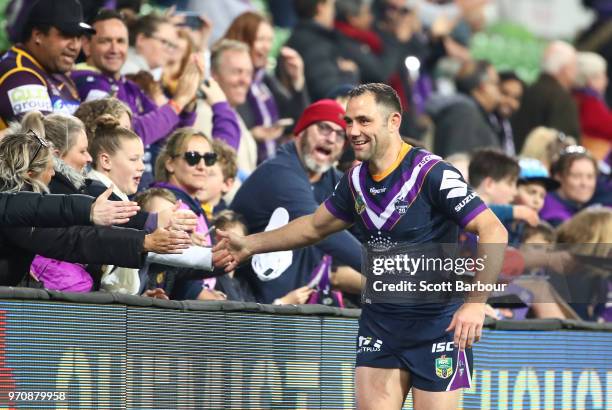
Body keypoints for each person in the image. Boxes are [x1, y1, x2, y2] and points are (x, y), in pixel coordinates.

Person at [215, 83, 507, 409]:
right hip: (381, 323)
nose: (353, 131)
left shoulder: (433, 173)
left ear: (393, 121)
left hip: (439, 326)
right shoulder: (354, 181)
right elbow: (314, 226)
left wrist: (476, 303)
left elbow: (493, 230)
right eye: (349, 121)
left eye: (364, 121)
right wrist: (250, 244)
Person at [0, 128, 191, 286]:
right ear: (30, 174)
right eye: (50, 169)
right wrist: (142, 241)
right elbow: (75, 240)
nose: (53, 175)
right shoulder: (14, 215)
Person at [230, 99, 362, 304]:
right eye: (324, 128)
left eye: (340, 135)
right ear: (301, 131)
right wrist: (383, 271)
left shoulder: (334, 181)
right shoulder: (279, 173)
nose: (331, 139)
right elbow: (320, 228)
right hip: (252, 307)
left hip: (299, 310)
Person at [71, 9, 210, 188]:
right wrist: (178, 101)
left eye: (120, 41)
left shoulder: (128, 85)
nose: (114, 49)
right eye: (105, 41)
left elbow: (171, 135)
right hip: (112, 189)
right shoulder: (87, 81)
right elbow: (129, 133)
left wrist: (189, 102)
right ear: (87, 46)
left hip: (143, 183)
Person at [224, 11, 310, 162]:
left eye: (270, 40)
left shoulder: (264, 81)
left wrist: (297, 81)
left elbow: (297, 121)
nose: (267, 47)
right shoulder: (229, 83)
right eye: (261, 39)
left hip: (271, 165)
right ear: (242, 40)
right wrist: (251, 136)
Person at [0, 0, 94, 129]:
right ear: (38, 35)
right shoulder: (20, 74)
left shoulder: (56, 72)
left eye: (78, 37)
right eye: (67, 35)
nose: (75, 46)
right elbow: (42, 141)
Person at [512, 41, 581, 151]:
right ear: (565, 69)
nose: (577, 71)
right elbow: (565, 142)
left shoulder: (529, 90)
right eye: (574, 66)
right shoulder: (562, 100)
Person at [286, 0, 359, 101]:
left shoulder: (303, 36)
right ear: (320, 7)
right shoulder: (313, 44)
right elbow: (330, 91)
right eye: (331, 6)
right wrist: (350, 73)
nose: (334, 12)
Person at [426, 60, 501, 157]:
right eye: (495, 83)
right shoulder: (464, 114)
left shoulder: (468, 112)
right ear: (482, 87)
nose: (499, 90)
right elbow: (457, 161)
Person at [540, 146, 599, 227]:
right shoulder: (555, 218)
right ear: (558, 176)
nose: (584, 183)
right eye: (576, 176)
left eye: (590, 176)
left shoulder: (575, 206)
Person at [573, 51, 612, 159]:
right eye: (602, 76)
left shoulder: (579, 98)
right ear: (590, 80)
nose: (606, 81)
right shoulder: (589, 103)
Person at [197, 140, 238, 219]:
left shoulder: (229, 221)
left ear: (227, 184)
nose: (201, 177)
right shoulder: (178, 207)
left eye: (210, 174)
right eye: (198, 171)